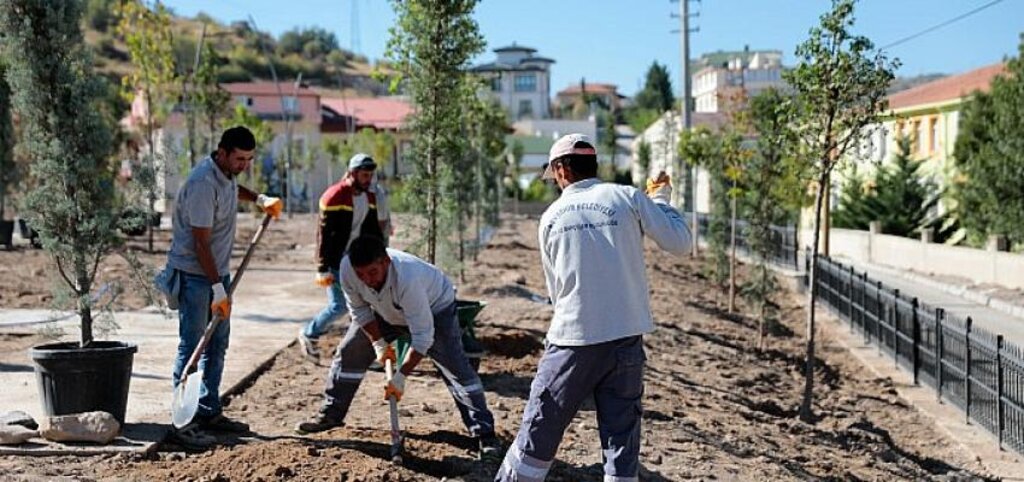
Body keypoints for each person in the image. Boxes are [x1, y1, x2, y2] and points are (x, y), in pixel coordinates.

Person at [495, 134, 691, 481]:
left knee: (539, 433)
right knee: (620, 443)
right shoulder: (627, 196)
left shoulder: (552, 216)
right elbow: (679, 243)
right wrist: (660, 198)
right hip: (626, 338)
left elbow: (556, 292)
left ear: (560, 170)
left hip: (573, 339)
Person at [295, 235, 501, 458]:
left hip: (434, 307)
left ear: (386, 262)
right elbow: (360, 311)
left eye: (372, 272)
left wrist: (401, 377)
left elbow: (422, 337)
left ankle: (485, 434)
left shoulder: (407, 278)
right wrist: (378, 343)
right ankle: (331, 414)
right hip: (383, 310)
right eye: (361, 274)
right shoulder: (348, 269)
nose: (366, 280)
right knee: (350, 352)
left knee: (455, 367)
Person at [166, 126, 283, 449]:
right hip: (195, 276)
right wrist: (217, 287)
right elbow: (200, 244)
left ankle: (208, 410)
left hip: (217, 275)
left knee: (218, 344)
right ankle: (182, 423)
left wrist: (258, 198)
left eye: (249, 159)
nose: (244, 165)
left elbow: (233, 188)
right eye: (239, 158)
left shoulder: (226, 174)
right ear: (222, 153)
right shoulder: (203, 184)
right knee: (192, 346)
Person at [297, 154, 383, 359]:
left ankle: (361, 347)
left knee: (364, 303)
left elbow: (372, 230)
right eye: (364, 175)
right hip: (335, 261)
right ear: (352, 173)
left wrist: (381, 255)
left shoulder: (368, 197)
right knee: (339, 306)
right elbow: (323, 234)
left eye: (370, 175)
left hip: (355, 261)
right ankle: (309, 332)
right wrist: (322, 267)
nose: (368, 179)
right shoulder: (334, 196)